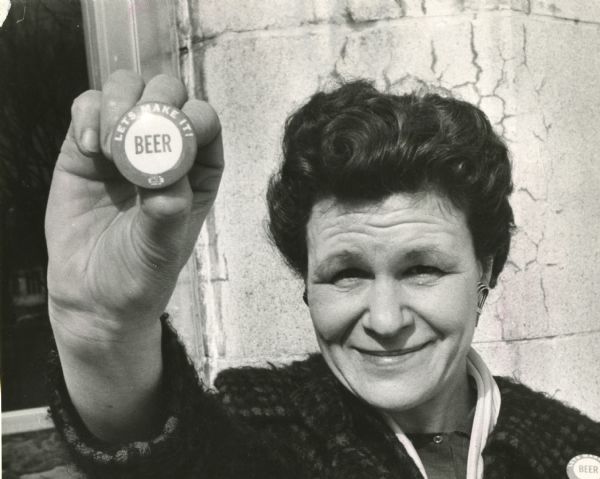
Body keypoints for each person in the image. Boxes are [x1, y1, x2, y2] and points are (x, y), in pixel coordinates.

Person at [45, 70, 600, 479]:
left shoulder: (571, 449)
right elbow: (175, 457)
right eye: (347, 274)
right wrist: (104, 329)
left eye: (423, 269)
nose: (385, 320)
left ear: (485, 272)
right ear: (307, 287)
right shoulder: (262, 435)